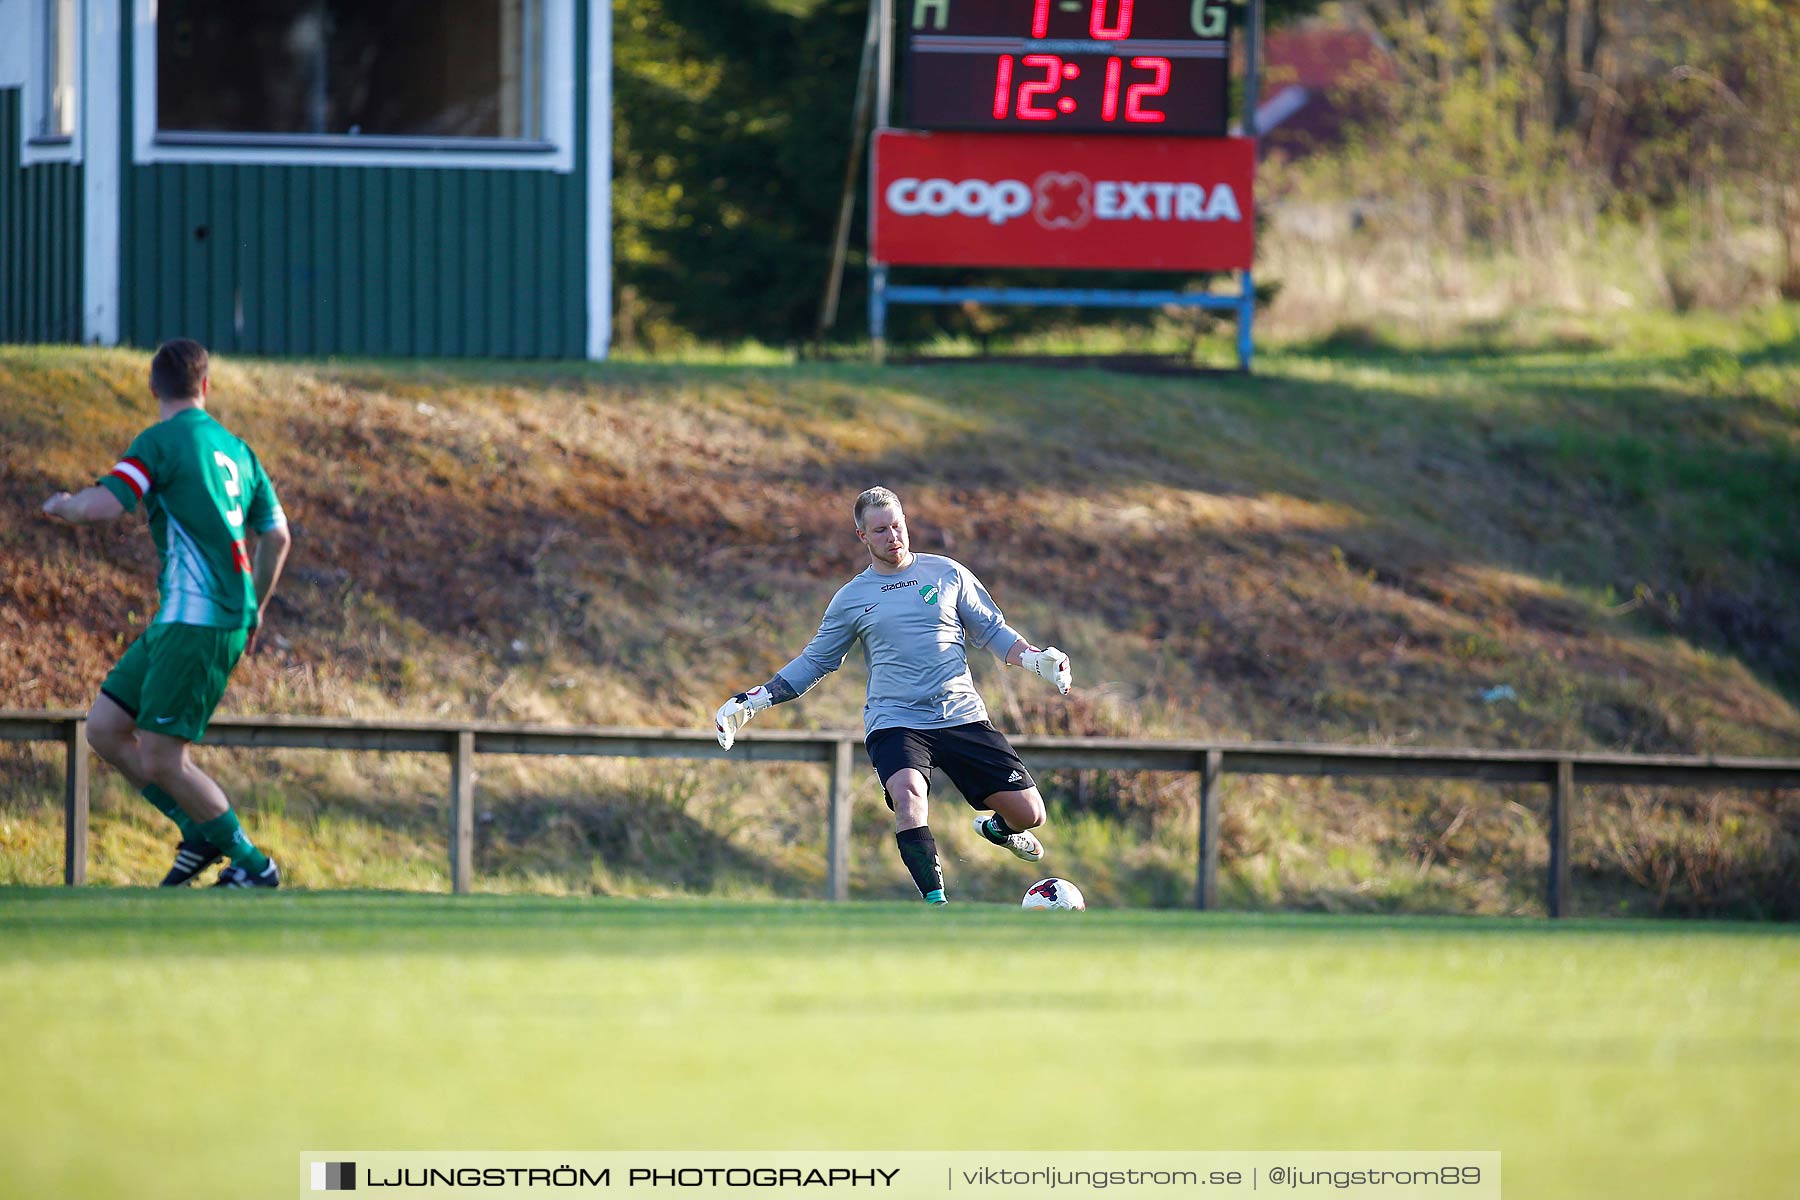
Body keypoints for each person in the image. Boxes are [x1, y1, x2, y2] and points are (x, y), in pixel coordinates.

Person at [715, 486, 1071, 904]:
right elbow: (816, 662)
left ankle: (997, 831)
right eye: (880, 530)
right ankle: (937, 904)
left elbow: (991, 632)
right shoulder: (852, 599)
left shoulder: (947, 574)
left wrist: (1034, 659)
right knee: (908, 797)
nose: (893, 537)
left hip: (961, 715)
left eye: (898, 526)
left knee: (1030, 815)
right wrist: (755, 699)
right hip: (896, 722)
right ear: (862, 536)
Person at [41, 338, 292, 888]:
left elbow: (104, 504)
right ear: (206, 386)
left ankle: (255, 866)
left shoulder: (160, 442)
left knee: (160, 757)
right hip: (184, 619)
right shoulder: (238, 450)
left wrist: (64, 507)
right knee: (105, 729)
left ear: (154, 387)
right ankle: (198, 830)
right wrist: (256, 605)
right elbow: (276, 534)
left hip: (197, 622)